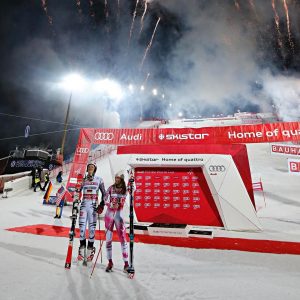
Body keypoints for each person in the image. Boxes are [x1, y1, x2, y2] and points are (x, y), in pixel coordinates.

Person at [78, 162, 105, 262]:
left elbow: (105, 194)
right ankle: (81, 251)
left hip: (93, 208)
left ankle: (90, 251)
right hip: (84, 206)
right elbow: (77, 192)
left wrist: (102, 205)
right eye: (89, 167)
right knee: (81, 229)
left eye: (92, 167)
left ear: (95, 169)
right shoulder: (83, 180)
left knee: (92, 230)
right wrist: (76, 202)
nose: (90, 168)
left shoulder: (99, 180)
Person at [103, 171, 129, 272]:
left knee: (123, 238)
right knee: (108, 239)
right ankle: (110, 262)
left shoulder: (125, 189)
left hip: (119, 216)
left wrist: (132, 178)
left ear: (122, 179)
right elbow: (105, 199)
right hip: (109, 215)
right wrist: (110, 204)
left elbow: (134, 189)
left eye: (118, 178)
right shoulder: (111, 188)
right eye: (116, 178)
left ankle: (126, 264)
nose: (116, 179)